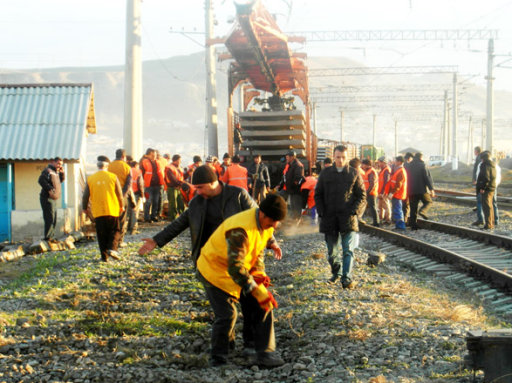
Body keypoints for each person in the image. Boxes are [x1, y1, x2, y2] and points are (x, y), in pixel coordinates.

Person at [196, 193, 287, 367]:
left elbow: (259, 247)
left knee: (262, 303)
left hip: (237, 270)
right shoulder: (240, 229)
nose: (275, 225)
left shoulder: (267, 224)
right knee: (227, 314)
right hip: (214, 270)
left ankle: (262, 351)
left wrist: (258, 276)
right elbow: (235, 268)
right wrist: (254, 288)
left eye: (278, 222)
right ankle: (218, 357)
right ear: (262, 213)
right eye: (273, 221)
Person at [138, 165, 282, 266]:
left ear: (213, 182)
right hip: (209, 257)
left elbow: (259, 217)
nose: (198, 192)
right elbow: (179, 223)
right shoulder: (196, 203)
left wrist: (271, 241)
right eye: (196, 188)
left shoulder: (238, 195)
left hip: (237, 253)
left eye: (200, 187)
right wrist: (156, 240)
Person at [314, 145, 366, 288]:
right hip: (329, 218)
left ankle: (346, 279)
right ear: (334, 156)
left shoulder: (354, 173)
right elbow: (317, 194)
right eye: (338, 157)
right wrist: (322, 212)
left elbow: (362, 195)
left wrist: (354, 211)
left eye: (343, 157)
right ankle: (336, 273)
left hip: (348, 218)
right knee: (332, 252)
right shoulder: (325, 173)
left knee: (348, 250)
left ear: (347, 157)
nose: (341, 160)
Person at [82, 156, 124, 262]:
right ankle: (112, 248)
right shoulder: (113, 177)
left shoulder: (91, 178)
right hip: (112, 209)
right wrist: (121, 205)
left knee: (101, 234)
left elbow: (85, 195)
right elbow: (119, 194)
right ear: (107, 166)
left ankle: (104, 257)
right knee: (115, 230)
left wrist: (84, 208)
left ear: (98, 166)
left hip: (98, 211)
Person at [108, 149, 132, 245]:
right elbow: (128, 183)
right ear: (123, 156)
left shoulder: (109, 166)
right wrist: (122, 195)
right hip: (122, 195)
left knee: (112, 218)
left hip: (111, 195)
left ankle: (111, 240)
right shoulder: (127, 167)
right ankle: (120, 241)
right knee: (122, 219)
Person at [38, 157, 65, 241]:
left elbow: (61, 180)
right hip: (47, 198)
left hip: (53, 198)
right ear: (53, 162)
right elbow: (41, 180)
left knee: (54, 218)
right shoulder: (48, 171)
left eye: (61, 164)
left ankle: (51, 236)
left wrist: (62, 173)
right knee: (49, 217)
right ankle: (48, 237)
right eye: (58, 164)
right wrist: (50, 188)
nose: (59, 166)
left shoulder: (55, 172)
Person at [407, 153, 435, 230]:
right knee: (428, 202)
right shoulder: (423, 165)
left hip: (411, 191)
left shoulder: (409, 166)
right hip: (422, 190)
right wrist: (431, 189)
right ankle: (422, 211)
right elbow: (427, 178)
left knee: (413, 208)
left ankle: (413, 225)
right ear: (421, 157)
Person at [140, 148, 164, 222]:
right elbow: (141, 173)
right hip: (148, 186)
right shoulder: (144, 162)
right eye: (152, 155)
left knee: (156, 201)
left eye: (155, 155)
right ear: (148, 155)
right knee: (148, 201)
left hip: (157, 185)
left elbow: (161, 173)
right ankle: (147, 217)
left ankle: (154, 216)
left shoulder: (158, 162)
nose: (154, 156)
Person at [476, 151, 497, 230]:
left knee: (486, 207)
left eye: (481, 158)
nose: (481, 160)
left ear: (483, 158)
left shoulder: (485, 165)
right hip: (492, 187)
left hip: (486, 189)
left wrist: (482, 188)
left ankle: (488, 225)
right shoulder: (493, 165)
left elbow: (486, 178)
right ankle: (491, 223)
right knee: (490, 206)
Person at [386, 156, 408, 230]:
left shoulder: (401, 171)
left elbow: (398, 184)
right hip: (396, 193)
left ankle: (401, 226)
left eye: (395, 161)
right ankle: (398, 225)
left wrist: (392, 193)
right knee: (397, 209)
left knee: (398, 209)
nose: (394, 162)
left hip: (398, 193)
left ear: (399, 162)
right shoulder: (398, 170)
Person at [283, 150, 304, 221]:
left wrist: (292, 186)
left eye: (287, 157)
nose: (286, 159)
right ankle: (295, 221)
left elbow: (297, 178)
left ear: (292, 157)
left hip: (296, 191)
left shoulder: (297, 165)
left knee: (296, 207)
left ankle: (297, 221)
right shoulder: (291, 165)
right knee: (292, 207)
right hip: (291, 190)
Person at [165, 154, 185, 221]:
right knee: (173, 204)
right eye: (179, 160)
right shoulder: (169, 168)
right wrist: (180, 184)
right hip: (172, 188)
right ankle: (173, 218)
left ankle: (182, 217)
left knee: (181, 203)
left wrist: (188, 173)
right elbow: (172, 179)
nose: (180, 162)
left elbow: (182, 177)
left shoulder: (179, 168)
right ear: (175, 160)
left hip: (179, 187)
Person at [361, 159, 380, 226]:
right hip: (369, 192)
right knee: (371, 207)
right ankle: (375, 221)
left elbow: (372, 184)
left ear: (367, 165)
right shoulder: (369, 171)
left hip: (371, 193)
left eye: (363, 164)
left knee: (373, 207)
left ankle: (376, 222)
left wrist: (367, 192)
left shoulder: (371, 172)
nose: (362, 166)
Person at [127, 160, 144, 235]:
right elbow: (140, 184)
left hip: (128, 193)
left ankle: (126, 228)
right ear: (136, 165)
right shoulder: (138, 172)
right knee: (134, 211)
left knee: (128, 211)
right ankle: (133, 229)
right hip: (136, 193)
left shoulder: (127, 171)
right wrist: (142, 195)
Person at [377, 157, 392, 225]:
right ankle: (381, 218)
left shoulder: (386, 170)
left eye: (380, 162)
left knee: (386, 206)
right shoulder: (382, 170)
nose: (379, 164)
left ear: (383, 162)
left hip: (384, 192)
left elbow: (386, 182)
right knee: (380, 206)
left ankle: (388, 219)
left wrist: (383, 192)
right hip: (381, 191)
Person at [402, 152, 414, 225]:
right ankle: (405, 220)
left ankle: (404, 219)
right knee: (407, 205)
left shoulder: (402, 165)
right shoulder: (409, 166)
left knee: (404, 205)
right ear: (409, 158)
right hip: (409, 188)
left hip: (403, 188)